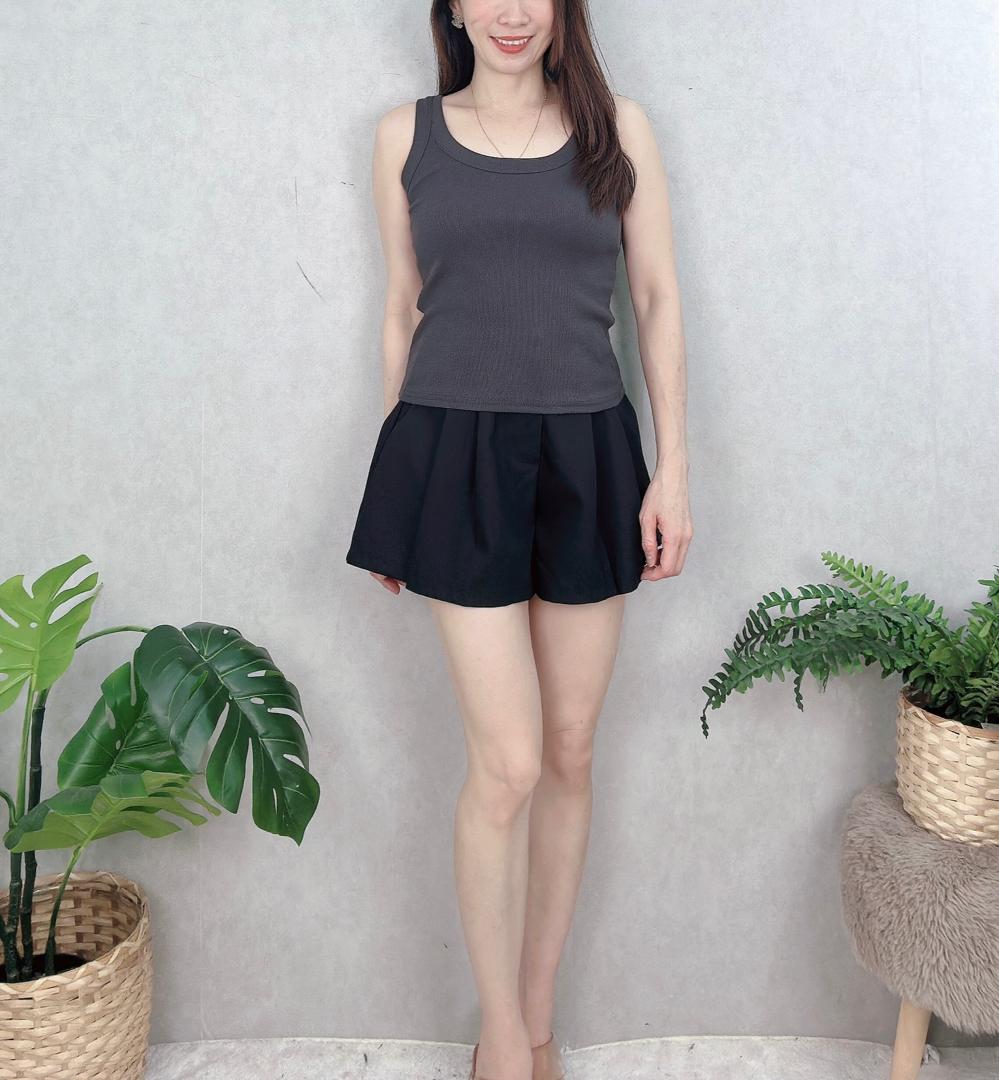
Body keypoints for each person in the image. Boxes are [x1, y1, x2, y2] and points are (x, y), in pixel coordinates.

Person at [345, 2, 691, 1077]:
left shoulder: (619, 127)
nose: (509, 12)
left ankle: (539, 1020)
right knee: (507, 763)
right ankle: (499, 1036)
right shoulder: (403, 136)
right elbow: (402, 309)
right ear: (451, 6)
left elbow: (655, 297)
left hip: (591, 452)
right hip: (452, 456)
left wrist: (674, 468)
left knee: (572, 749)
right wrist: (400, 487)